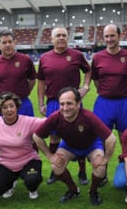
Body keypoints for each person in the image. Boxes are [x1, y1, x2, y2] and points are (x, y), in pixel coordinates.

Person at [33, 87, 116, 205]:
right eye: (62, 104)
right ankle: (73, 190)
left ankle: (93, 191)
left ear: (78, 103)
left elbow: (111, 139)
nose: (65, 108)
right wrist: (50, 156)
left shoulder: (88, 116)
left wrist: (105, 159)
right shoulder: (56, 117)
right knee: (56, 167)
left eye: (69, 103)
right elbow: (37, 136)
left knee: (101, 168)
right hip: (69, 146)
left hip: (91, 145)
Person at [37, 26, 92, 185]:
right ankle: (56, 170)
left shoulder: (77, 55)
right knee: (54, 136)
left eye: (64, 35)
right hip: (54, 102)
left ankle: (82, 172)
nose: (61, 38)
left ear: (67, 38)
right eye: (58, 36)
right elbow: (41, 82)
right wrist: (41, 103)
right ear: (52, 39)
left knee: (80, 135)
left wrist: (86, 86)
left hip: (74, 103)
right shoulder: (45, 58)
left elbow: (88, 71)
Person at [91, 24, 127, 183]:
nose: (109, 39)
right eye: (106, 36)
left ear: (119, 36)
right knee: (101, 139)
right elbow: (96, 80)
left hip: (124, 103)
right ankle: (101, 172)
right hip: (104, 103)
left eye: (112, 36)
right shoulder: (98, 57)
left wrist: (123, 92)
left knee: (126, 138)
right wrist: (108, 92)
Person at [0, 29, 37, 116]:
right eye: (4, 42)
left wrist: (25, 92)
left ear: (14, 43)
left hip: (23, 103)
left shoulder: (25, 60)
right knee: (2, 129)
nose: (8, 45)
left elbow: (33, 80)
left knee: (26, 129)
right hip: (3, 104)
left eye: (10, 42)